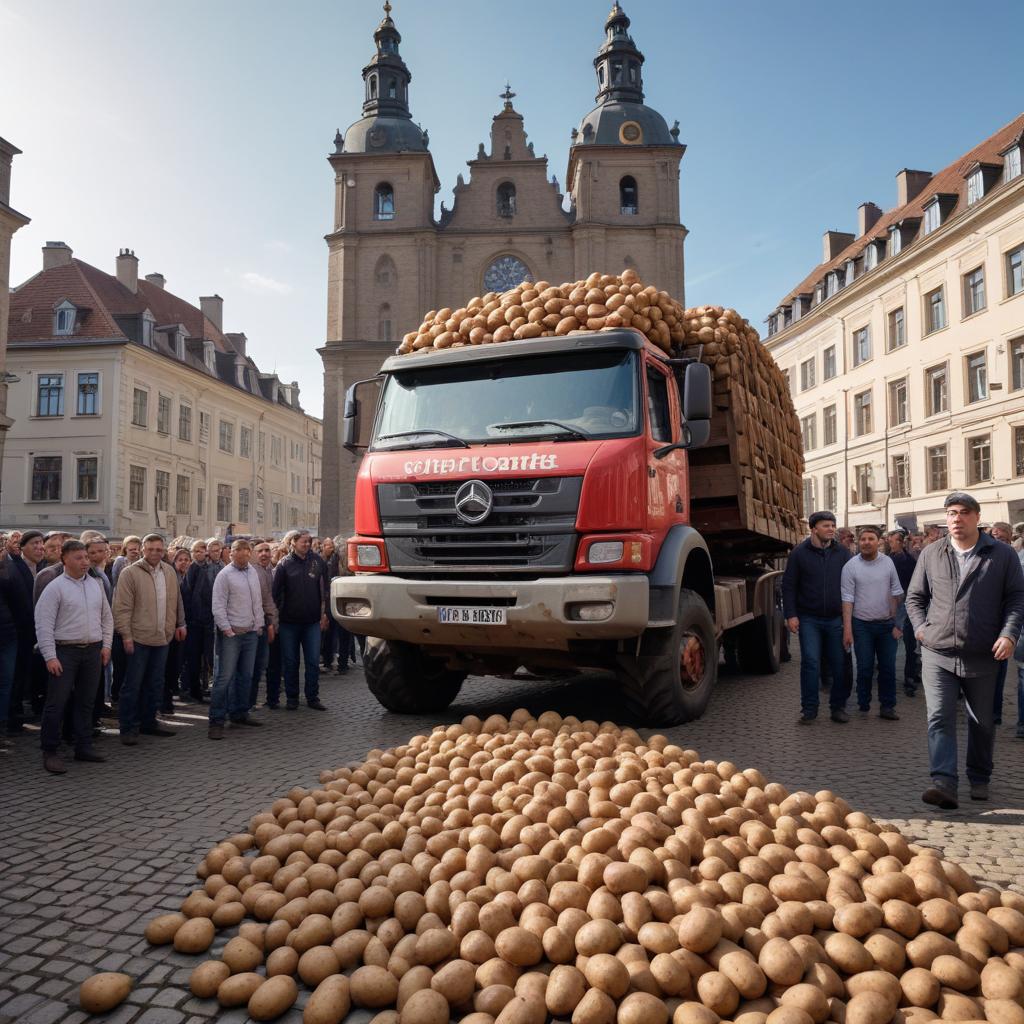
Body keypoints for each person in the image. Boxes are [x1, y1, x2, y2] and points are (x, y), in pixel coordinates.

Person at [905, 491, 1024, 809]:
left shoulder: (1001, 554)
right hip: (938, 652)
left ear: (977, 517)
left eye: (963, 512)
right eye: (951, 513)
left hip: (984, 654)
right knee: (939, 717)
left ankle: (980, 776)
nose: (956, 518)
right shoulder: (932, 553)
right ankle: (944, 782)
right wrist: (920, 628)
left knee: (982, 721)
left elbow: (1016, 598)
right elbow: (915, 597)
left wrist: (1009, 634)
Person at [34, 540, 113, 774]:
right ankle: (50, 750)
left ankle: (83, 746)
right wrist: (50, 656)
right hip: (64, 651)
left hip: (92, 650)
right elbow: (43, 624)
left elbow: (106, 618)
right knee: (56, 703)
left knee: (86, 702)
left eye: (86, 557)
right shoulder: (55, 587)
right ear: (64, 560)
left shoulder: (96, 584)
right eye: (79, 558)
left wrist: (106, 645)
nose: (85, 562)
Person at [112, 534, 186, 745]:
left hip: (163, 637)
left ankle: (148, 722)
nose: (154, 553)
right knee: (132, 684)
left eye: (159, 550)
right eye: (150, 549)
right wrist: (126, 635)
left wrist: (180, 623)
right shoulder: (130, 573)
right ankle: (128, 727)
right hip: (138, 638)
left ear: (164, 551)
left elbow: (177, 600)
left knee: (155, 682)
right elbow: (122, 608)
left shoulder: (169, 571)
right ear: (143, 550)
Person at [782, 510, 852, 724]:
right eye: (826, 525)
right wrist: (791, 615)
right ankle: (809, 709)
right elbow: (789, 586)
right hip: (809, 618)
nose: (831, 529)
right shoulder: (799, 553)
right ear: (813, 529)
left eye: (832, 525)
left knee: (839, 664)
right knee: (811, 662)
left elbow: (851, 585)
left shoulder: (842, 553)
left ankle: (838, 708)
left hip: (835, 618)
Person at [209, 540, 276, 739]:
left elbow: (257, 602)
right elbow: (218, 605)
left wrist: (259, 625)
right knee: (224, 678)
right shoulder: (225, 575)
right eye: (240, 551)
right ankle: (216, 720)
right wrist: (227, 629)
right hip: (232, 634)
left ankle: (239, 713)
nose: (245, 554)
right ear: (232, 554)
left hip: (251, 633)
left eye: (247, 551)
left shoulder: (252, 572)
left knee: (245, 676)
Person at [841, 526, 904, 720]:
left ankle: (887, 706)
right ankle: (863, 702)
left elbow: (897, 593)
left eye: (871, 539)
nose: (867, 542)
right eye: (863, 539)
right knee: (865, 667)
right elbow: (847, 599)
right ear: (858, 542)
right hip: (862, 625)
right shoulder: (850, 566)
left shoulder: (888, 563)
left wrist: (897, 624)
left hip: (886, 625)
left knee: (888, 668)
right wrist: (848, 630)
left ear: (879, 542)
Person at [272, 530, 328, 711]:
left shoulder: (317, 561)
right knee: (291, 662)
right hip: (289, 623)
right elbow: (275, 594)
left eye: (309, 541)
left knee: (312, 661)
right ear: (293, 543)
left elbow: (325, 589)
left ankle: (312, 697)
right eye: (303, 541)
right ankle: (292, 698)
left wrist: (325, 613)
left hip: (312, 622)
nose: (307, 544)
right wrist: (276, 617)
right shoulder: (284, 564)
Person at [183, 539, 219, 702]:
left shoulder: (211, 567)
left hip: (208, 620)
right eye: (196, 550)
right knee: (194, 658)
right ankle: (193, 690)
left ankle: (203, 688)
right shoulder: (192, 568)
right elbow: (188, 595)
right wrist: (190, 619)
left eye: (202, 550)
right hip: (194, 622)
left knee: (209, 657)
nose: (200, 553)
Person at [887, 530, 920, 696]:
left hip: (905, 606)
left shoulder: (908, 561)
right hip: (890, 606)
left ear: (900, 542)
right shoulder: (887, 559)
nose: (890, 543)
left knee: (910, 644)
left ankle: (910, 677)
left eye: (892, 541)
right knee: (892, 644)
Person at [249, 540, 279, 709]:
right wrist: (269, 623)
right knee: (256, 665)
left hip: (271, 623)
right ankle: (250, 702)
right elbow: (263, 601)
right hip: (261, 625)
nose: (264, 554)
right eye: (260, 551)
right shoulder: (254, 572)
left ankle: (269, 699)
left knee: (270, 664)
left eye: (267, 550)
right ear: (254, 554)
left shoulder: (271, 570)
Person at [163, 548, 193, 713]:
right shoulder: (172, 577)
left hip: (186, 625)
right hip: (173, 626)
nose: (183, 562)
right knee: (170, 664)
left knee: (178, 663)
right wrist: (177, 624)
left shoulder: (190, 576)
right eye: (180, 560)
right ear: (174, 562)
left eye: (186, 560)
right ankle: (165, 701)